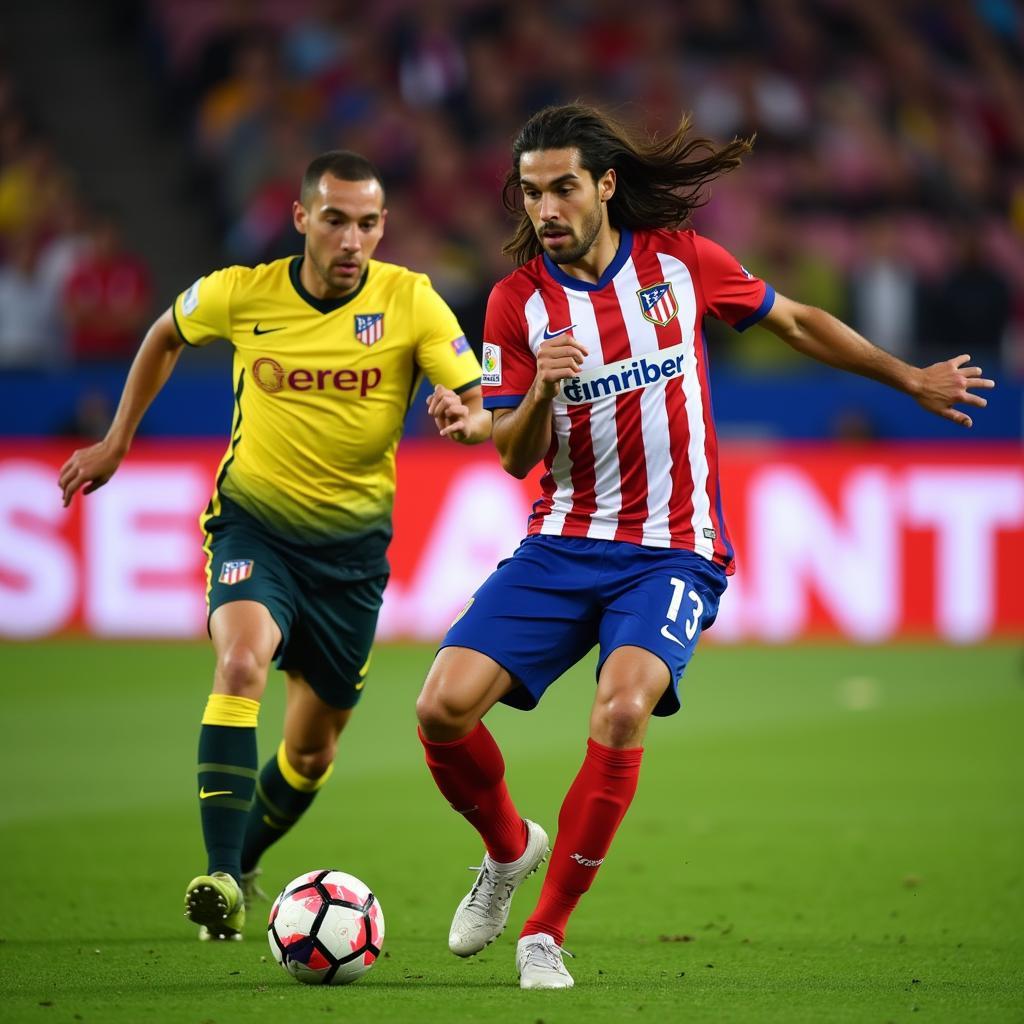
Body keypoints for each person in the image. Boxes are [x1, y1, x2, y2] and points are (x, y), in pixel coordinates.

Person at [414, 103, 994, 990]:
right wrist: (540, 394)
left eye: (564, 187)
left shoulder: (681, 264)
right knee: (440, 711)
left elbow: (796, 322)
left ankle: (545, 933)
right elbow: (511, 453)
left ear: (606, 185)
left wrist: (906, 376)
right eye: (532, 194)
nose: (547, 210)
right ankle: (506, 852)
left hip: (674, 550)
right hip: (563, 541)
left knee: (619, 710)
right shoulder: (515, 303)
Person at [59, 150, 490, 940]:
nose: (351, 239)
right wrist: (118, 440)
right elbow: (163, 334)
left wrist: (471, 420)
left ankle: (245, 861)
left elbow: (476, 403)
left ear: (383, 226)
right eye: (334, 220)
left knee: (312, 754)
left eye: (366, 223)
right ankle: (218, 875)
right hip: (254, 529)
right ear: (301, 220)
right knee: (240, 661)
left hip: (352, 561)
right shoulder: (240, 292)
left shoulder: (414, 302)